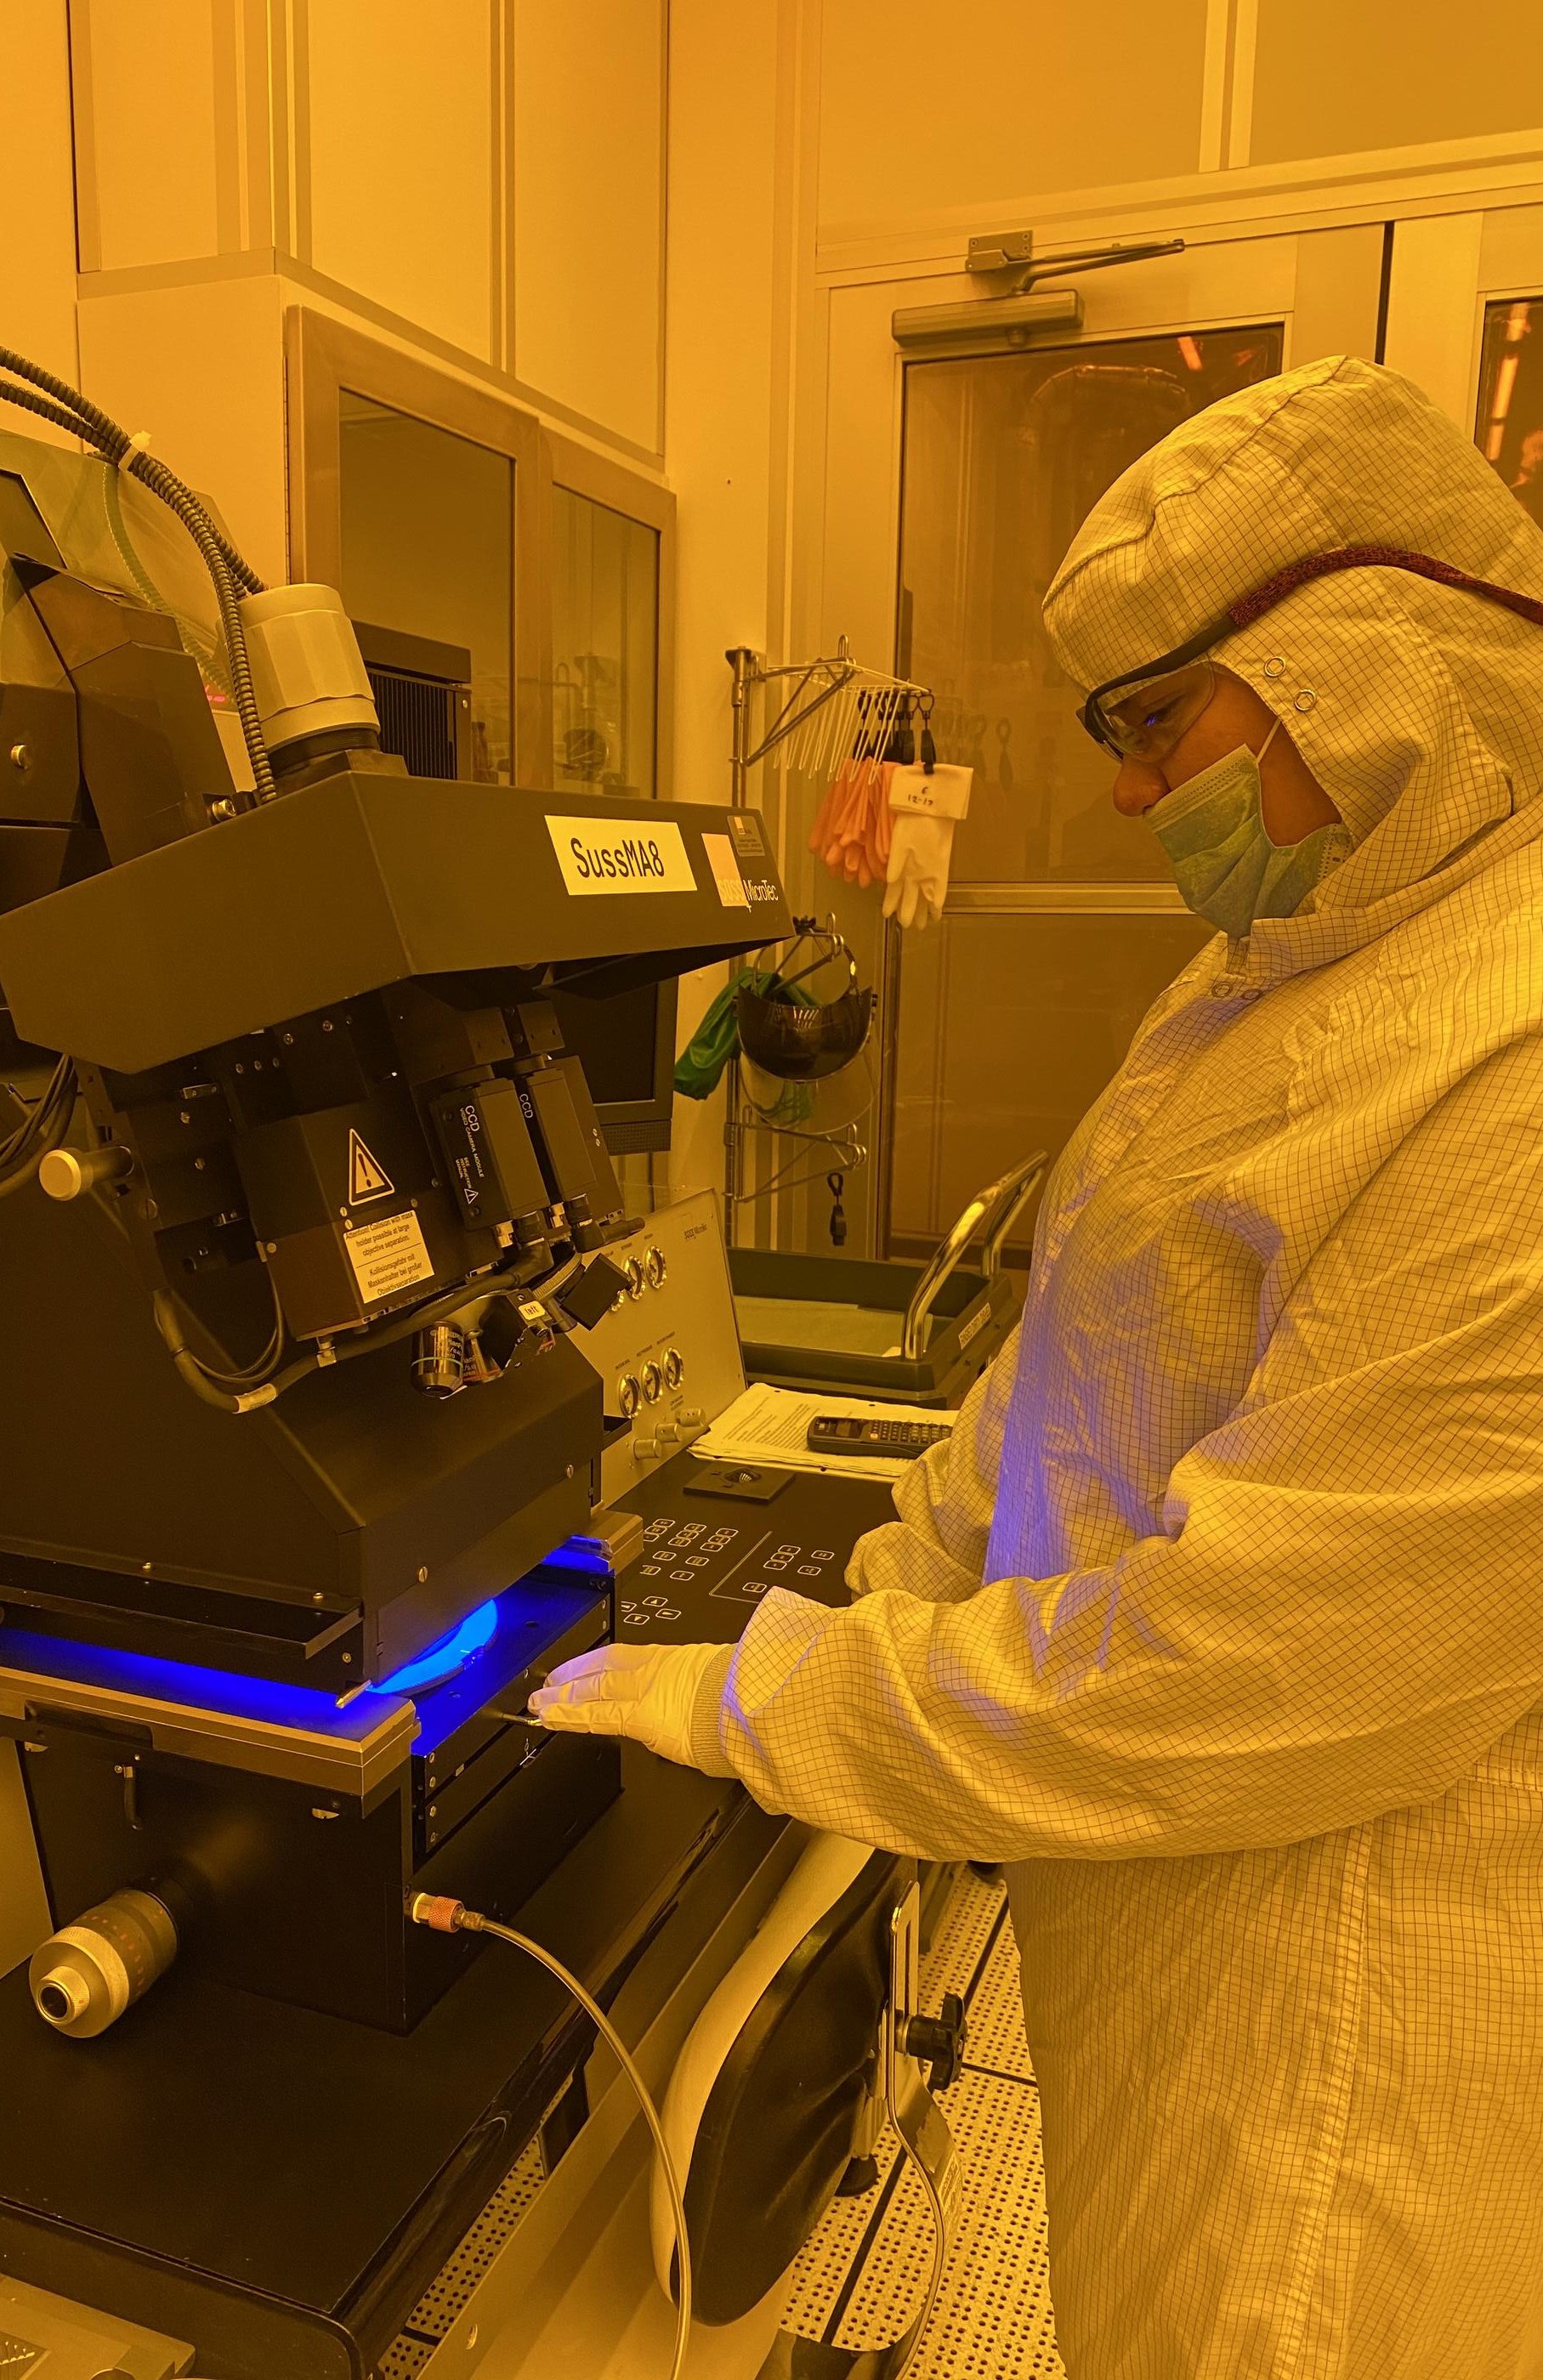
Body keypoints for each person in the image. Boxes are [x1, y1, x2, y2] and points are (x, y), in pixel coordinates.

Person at [530, 355, 1543, 2379]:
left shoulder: (1507, 1046)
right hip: (1164, 1939)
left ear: (1356, 663)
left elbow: (1255, 1662)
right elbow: (1079, 1337)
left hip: (1333, 2031)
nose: (1121, 789)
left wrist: (785, 1693)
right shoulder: (1285, 967)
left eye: (1155, 720)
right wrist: (881, 1569)